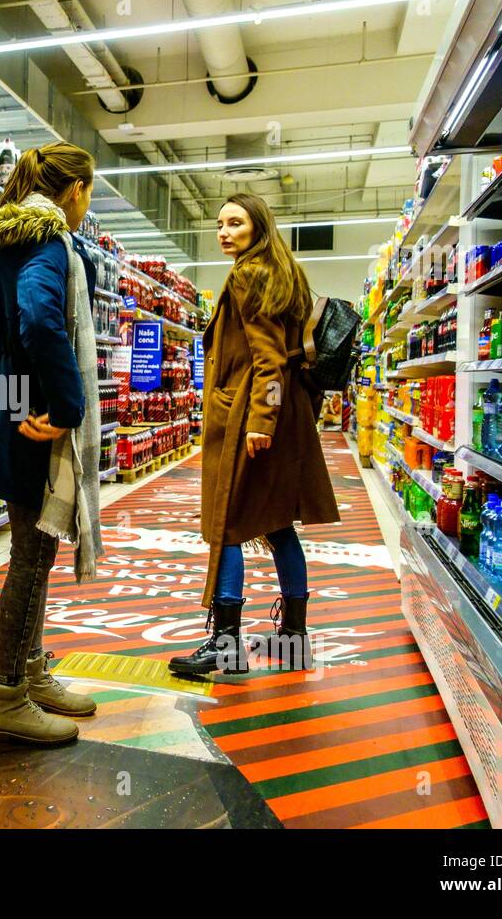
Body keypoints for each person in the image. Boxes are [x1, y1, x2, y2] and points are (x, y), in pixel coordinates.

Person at [0, 142, 101, 747]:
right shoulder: (45, 240)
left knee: (32, 550)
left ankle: (30, 671)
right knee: (31, 555)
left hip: (4, 400)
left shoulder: (9, 237)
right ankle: (8, 695)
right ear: (73, 191)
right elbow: (39, 318)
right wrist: (68, 406)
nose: (87, 205)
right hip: (29, 412)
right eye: (89, 192)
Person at [169, 192, 339, 678]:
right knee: (276, 523)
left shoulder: (249, 274)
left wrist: (260, 421)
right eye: (220, 224)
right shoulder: (283, 270)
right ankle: (294, 638)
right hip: (283, 417)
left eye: (236, 223)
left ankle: (225, 646)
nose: (224, 232)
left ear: (258, 227)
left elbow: (268, 359)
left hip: (251, 415)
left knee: (226, 524)